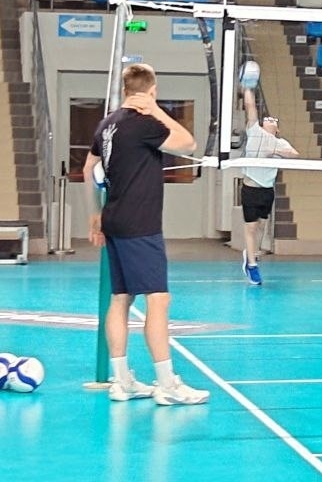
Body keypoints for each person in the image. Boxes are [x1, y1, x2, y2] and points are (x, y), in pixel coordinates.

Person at [82, 63, 209, 406]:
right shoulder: (144, 123)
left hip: (115, 219)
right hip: (140, 223)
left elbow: (88, 167)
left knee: (120, 299)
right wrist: (158, 111)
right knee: (158, 299)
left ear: (126, 90)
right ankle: (167, 383)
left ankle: (122, 381)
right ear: (151, 91)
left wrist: (94, 214)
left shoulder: (106, 124)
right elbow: (189, 143)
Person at [238, 85, 300, 286]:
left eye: (274, 120)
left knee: (262, 226)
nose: (269, 119)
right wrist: (248, 87)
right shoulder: (254, 131)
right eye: (268, 118)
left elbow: (295, 155)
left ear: (277, 129)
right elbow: (250, 106)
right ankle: (252, 265)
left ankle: (251, 254)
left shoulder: (281, 143)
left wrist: (275, 152)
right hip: (250, 188)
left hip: (267, 190)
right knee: (251, 227)